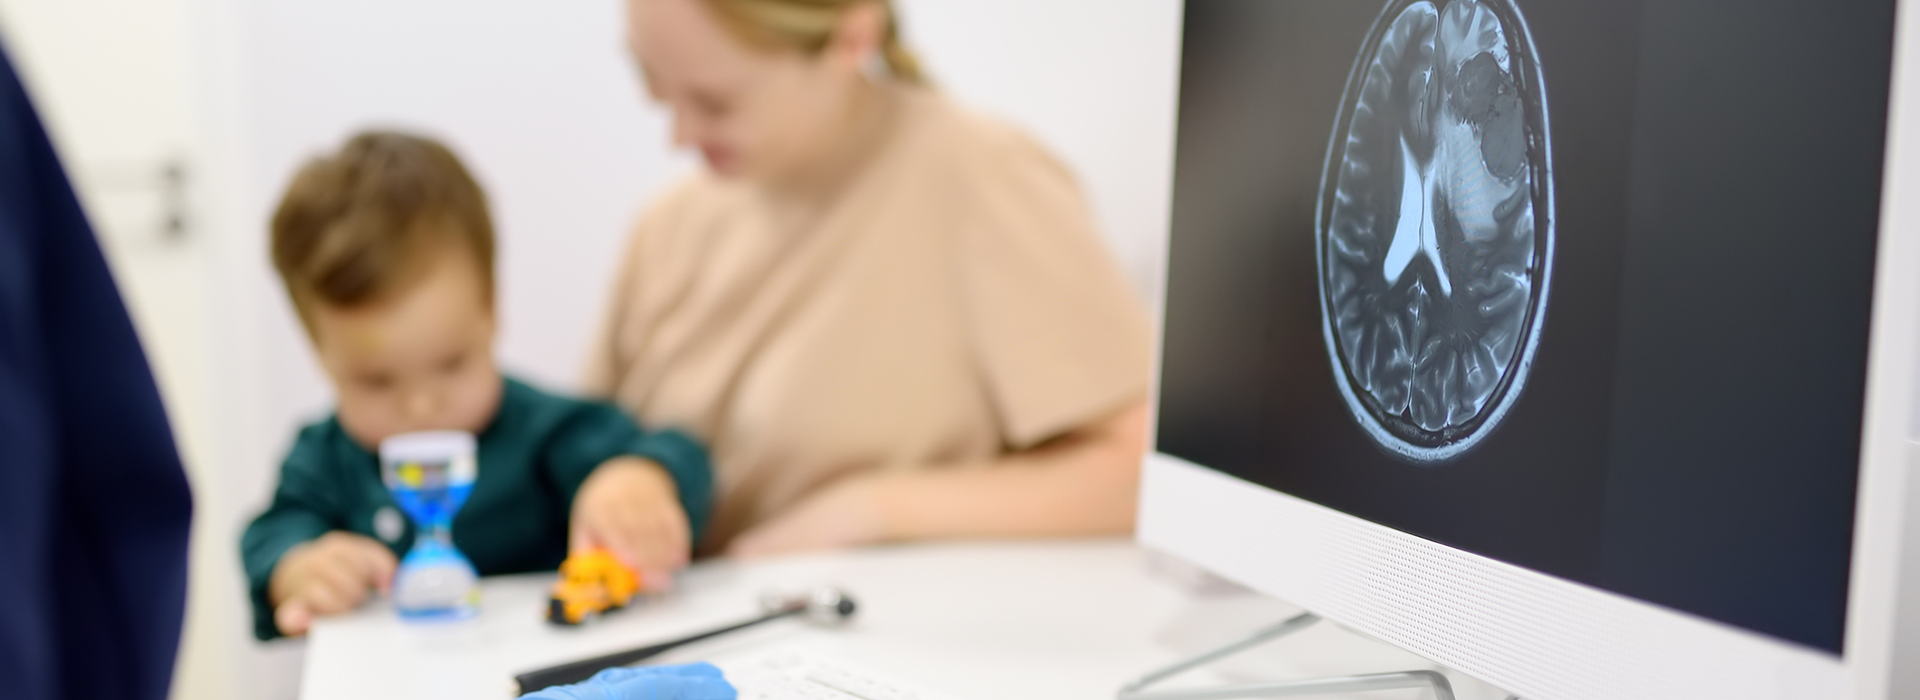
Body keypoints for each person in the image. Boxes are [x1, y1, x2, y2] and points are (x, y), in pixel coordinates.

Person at [586, 0, 1153, 558]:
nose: (679, 136)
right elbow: (580, 446)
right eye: (654, 83)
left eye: (716, 101)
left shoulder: (980, 174)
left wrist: (873, 511)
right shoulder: (669, 223)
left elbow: (1138, 473)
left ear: (853, 39)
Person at [241, 132, 714, 640]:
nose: (422, 405)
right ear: (320, 354)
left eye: (451, 364)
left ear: (490, 312)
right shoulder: (326, 459)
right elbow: (269, 534)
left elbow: (677, 453)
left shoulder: (545, 432)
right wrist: (300, 568)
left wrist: (637, 479)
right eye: (376, 382)